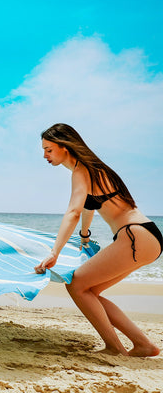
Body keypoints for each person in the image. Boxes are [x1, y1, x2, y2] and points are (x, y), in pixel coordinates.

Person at [35, 123, 162, 357]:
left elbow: (72, 211)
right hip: (146, 237)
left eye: (49, 149)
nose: (45, 155)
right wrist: (84, 236)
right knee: (89, 290)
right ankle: (144, 345)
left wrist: (55, 252)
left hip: (134, 235)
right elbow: (88, 207)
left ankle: (115, 348)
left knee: (76, 285)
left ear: (65, 147)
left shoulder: (81, 170)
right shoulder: (94, 169)